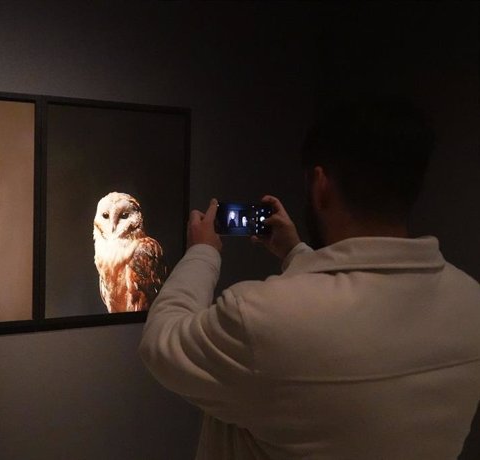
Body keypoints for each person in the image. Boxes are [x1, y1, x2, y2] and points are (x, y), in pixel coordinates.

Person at [139, 95, 480, 459]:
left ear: (320, 185)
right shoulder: (469, 301)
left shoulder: (259, 317)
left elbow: (161, 343)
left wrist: (202, 253)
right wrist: (296, 253)